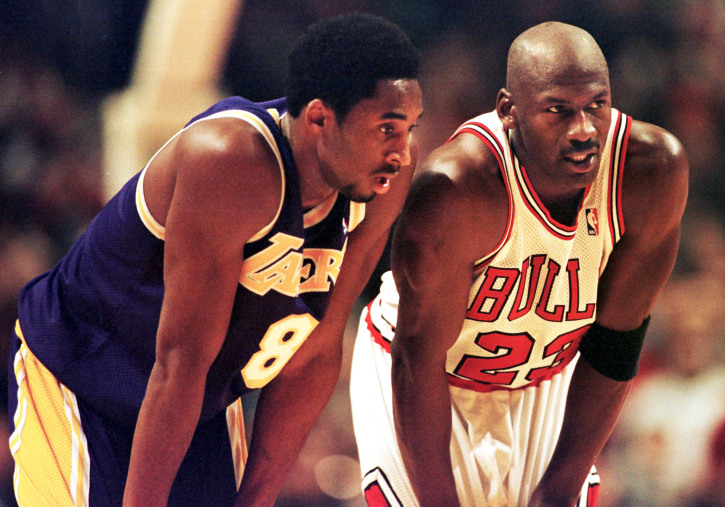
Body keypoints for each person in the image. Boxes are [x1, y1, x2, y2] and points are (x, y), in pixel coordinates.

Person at [8, 13, 422, 506]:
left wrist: (257, 499)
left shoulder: (380, 180)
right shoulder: (231, 160)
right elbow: (179, 362)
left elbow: (315, 352)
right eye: (387, 129)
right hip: (84, 371)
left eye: (409, 129)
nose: (401, 151)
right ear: (317, 119)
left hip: (195, 399)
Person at [350, 21, 688, 507]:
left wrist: (560, 487)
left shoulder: (651, 170)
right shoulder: (458, 188)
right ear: (509, 111)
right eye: (558, 111)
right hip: (426, 377)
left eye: (597, 105)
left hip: (543, 378)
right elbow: (416, 361)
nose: (584, 130)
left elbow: (616, 345)